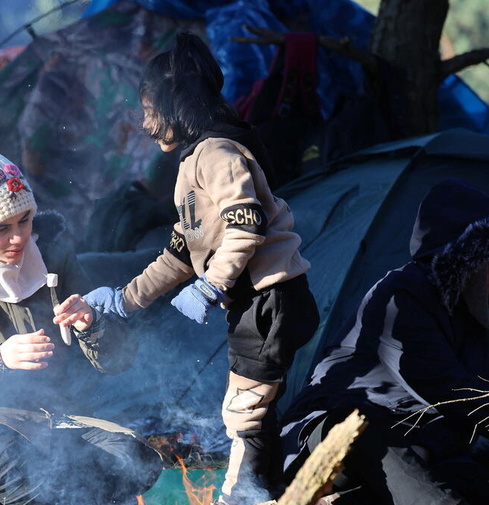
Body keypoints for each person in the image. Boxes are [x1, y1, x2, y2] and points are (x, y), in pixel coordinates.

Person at [84, 32, 319, 505]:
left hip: (269, 298)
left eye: (151, 111)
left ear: (177, 105)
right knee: (258, 409)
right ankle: (270, 491)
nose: (147, 125)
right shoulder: (196, 161)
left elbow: (246, 226)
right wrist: (122, 300)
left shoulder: (218, 154)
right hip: (255, 302)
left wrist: (212, 284)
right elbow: (178, 253)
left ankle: (243, 497)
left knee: (244, 412)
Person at [0, 147, 163, 505]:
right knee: (8, 459)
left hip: (45, 415)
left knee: (136, 460)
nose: (18, 237)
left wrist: (92, 325)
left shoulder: (50, 252)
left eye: (25, 219)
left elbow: (118, 361)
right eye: (1, 228)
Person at [279, 179, 489, 505]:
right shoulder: (402, 296)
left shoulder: (476, 317)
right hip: (344, 434)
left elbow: (474, 403)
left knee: (475, 483)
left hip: (413, 434)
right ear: (472, 259)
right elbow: (457, 395)